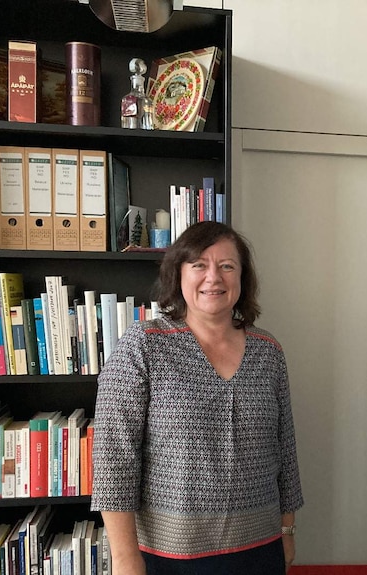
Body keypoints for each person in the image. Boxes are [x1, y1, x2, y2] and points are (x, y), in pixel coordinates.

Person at [92, 221, 304, 575]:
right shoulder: (144, 344)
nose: (213, 278)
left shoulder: (269, 351)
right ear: (179, 274)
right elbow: (114, 456)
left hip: (260, 549)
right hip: (169, 556)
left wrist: (287, 530)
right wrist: (126, 558)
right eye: (199, 265)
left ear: (242, 277)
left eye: (226, 266)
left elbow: (285, 450)